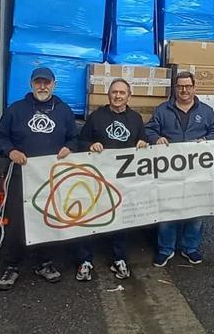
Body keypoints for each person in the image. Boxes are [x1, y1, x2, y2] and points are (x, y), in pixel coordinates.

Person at [0, 67, 77, 291]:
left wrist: (69, 147)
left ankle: (44, 262)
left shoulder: (64, 111)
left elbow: (75, 139)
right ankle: (11, 265)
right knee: (17, 221)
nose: (42, 86)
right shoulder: (16, 110)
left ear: (54, 85)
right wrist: (10, 151)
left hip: (51, 177)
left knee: (47, 219)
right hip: (21, 176)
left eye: (46, 82)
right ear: (31, 84)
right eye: (38, 82)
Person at [145, 71, 214, 267]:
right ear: (175, 88)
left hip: (198, 172)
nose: (184, 90)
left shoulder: (206, 111)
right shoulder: (163, 110)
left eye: (188, 86)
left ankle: (191, 248)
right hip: (169, 171)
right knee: (168, 209)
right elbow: (149, 129)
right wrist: (156, 138)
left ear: (194, 88)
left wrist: (206, 140)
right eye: (180, 86)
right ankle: (165, 249)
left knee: (196, 210)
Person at [74, 78, 148, 282]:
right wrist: (91, 146)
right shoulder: (96, 117)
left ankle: (119, 257)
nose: (117, 96)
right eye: (114, 92)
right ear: (109, 95)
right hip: (97, 178)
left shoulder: (135, 118)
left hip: (123, 180)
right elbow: (81, 142)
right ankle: (85, 259)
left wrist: (143, 143)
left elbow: (143, 142)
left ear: (129, 95)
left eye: (122, 93)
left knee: (120, 220)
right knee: (89, 218)